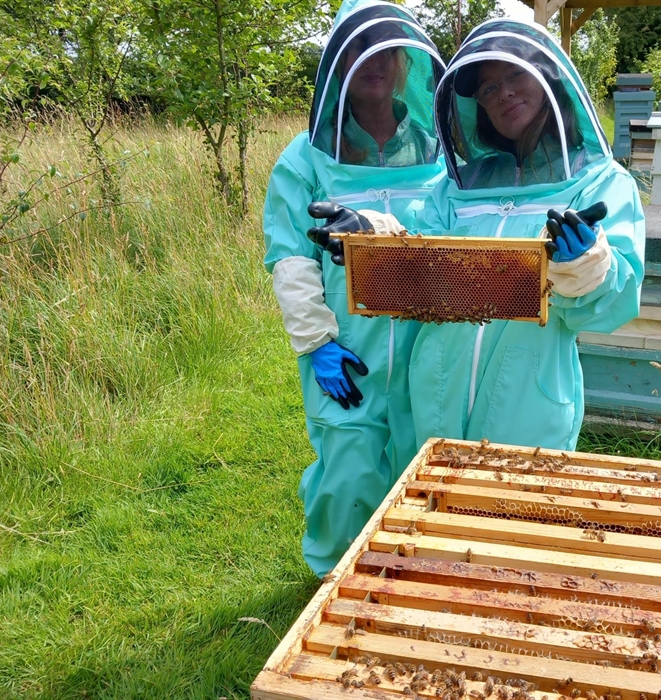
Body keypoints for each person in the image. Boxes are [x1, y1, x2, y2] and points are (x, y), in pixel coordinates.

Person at [262, 0, 445, 577]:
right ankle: (331, 580)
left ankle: (406, 576)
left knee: (420, 465)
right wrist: (316, 342)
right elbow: (291, 257)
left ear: (407, 65)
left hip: (425, 338)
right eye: (362, 51)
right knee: (347, 470)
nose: (377, 61)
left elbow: (450, 236)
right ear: (338, 65)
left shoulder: (440, 150)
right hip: (349, 343)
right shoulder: (305, 157)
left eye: (389, 50)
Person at [407, 19, 646, 451]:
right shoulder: (460, 183)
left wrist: (588, 265)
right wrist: (374, 232)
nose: (504, 94)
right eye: (488, 89)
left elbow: (612, 303)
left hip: (527, 396)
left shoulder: (598, 181)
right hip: (438, 386)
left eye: (515, 74)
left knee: (514, 512)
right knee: (437, 509)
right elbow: (415, 260)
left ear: (548, 77)